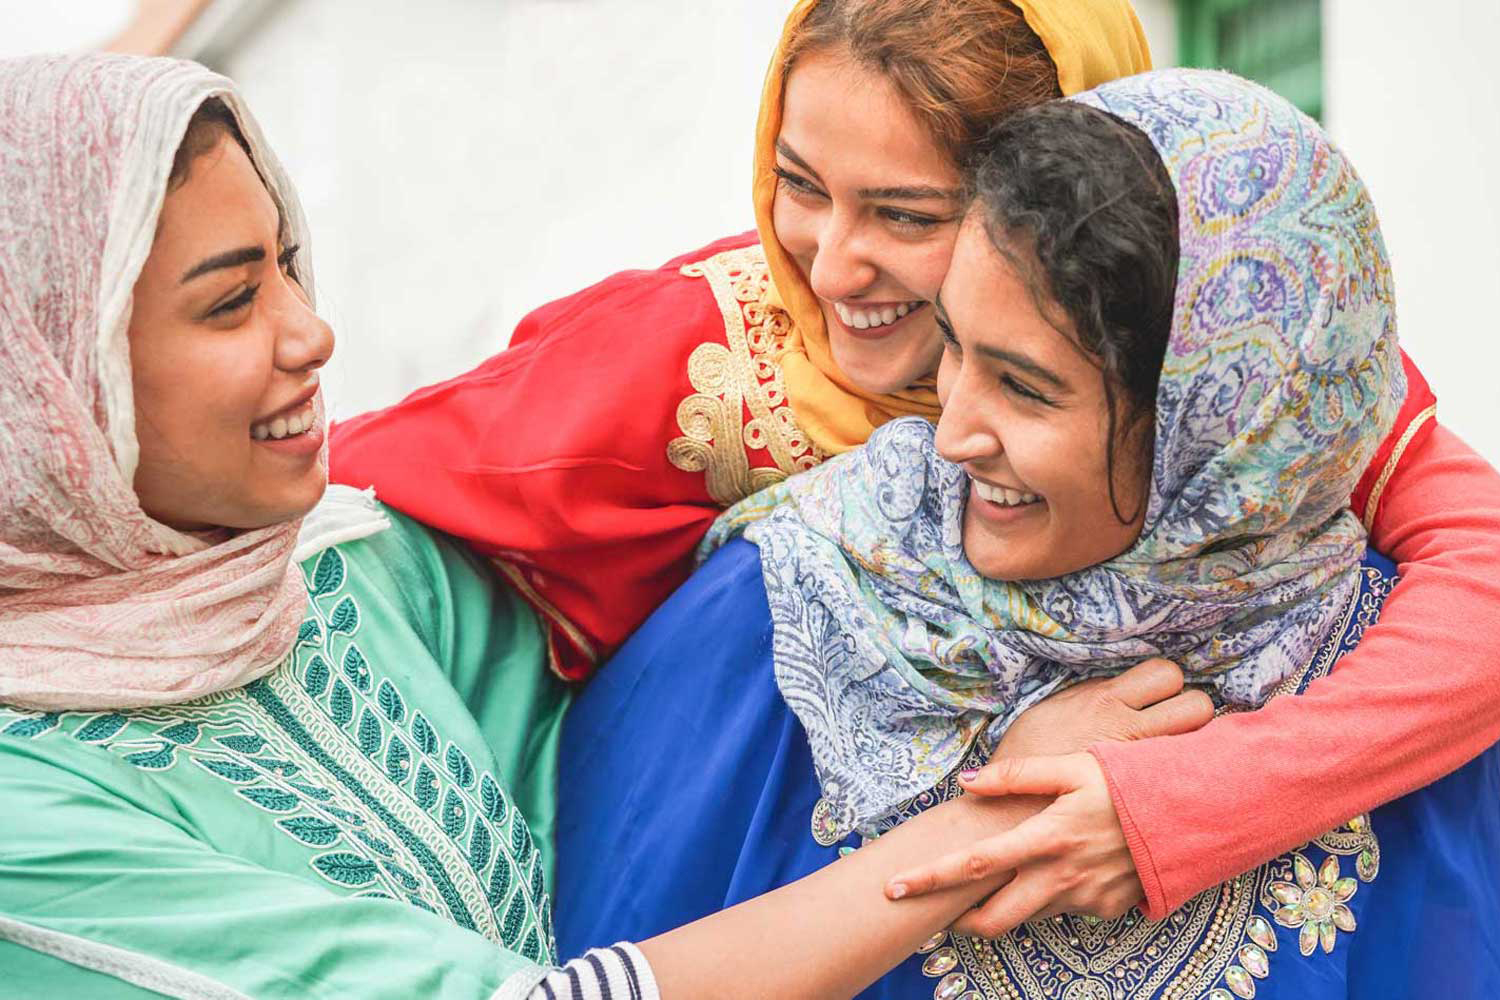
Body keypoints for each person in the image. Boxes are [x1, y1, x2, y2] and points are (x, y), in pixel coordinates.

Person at [0, 53, 1215, 1000]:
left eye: (287, 266)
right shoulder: (29, 817)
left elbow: (690, 704)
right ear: (48, 384)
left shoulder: (360, 568)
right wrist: (998, 819)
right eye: (229, 302)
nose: (310, 333)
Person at [334, 0, 1500, 936]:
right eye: (799, 185)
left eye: (907, 213)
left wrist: (1186, 801)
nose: (834, 267)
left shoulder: (1255, 363)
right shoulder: (709, 398)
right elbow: (335, 509)